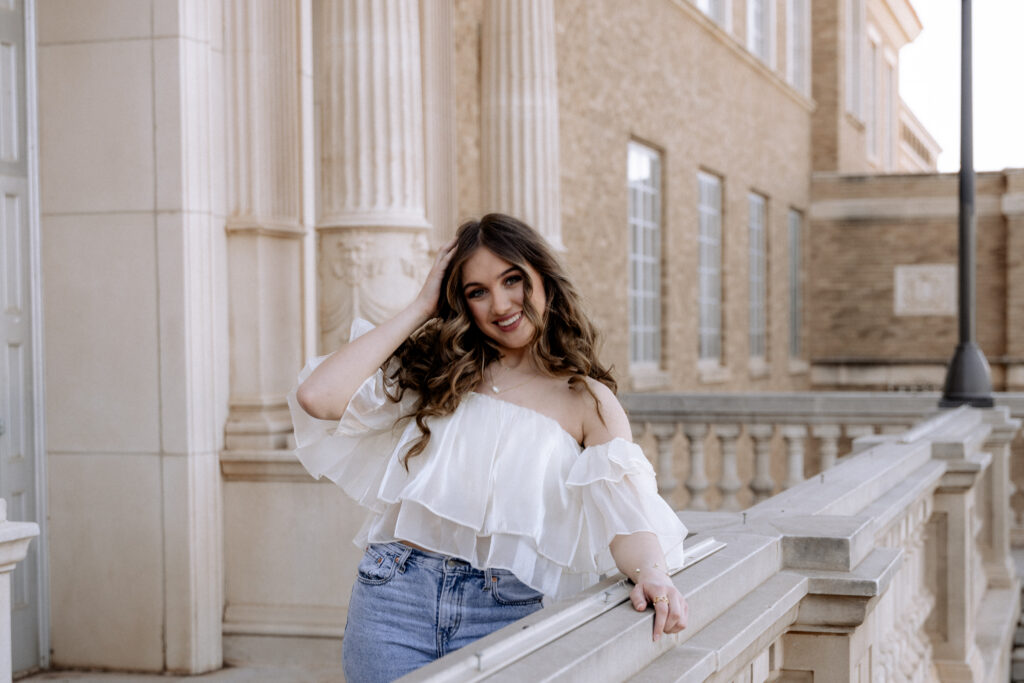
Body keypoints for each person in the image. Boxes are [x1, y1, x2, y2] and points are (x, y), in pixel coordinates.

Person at [289, 213, 688, 682]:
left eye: (512, 280)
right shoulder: (441, 370)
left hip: (505, 610)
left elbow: (626, 514)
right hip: (394, 597)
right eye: (477, 291)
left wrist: (654, 575)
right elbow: (319, 397)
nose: (500, 304)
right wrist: (421, 306)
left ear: (544, 278)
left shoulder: (585, 399)